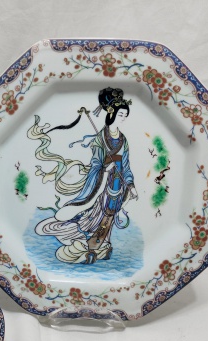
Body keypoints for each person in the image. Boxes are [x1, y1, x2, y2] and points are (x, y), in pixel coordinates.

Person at [33, 87, 138, 264]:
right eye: (121, 114)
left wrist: (131, 185)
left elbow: (126, 165)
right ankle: (84, 242)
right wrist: (106, 168)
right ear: (111, 114)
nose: (123, 118)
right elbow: (96, 163)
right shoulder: (100, 139)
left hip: (118, 184)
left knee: (110, 214)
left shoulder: (123, 139)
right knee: (96, 214)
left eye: (125, 115)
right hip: (102, 183)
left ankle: (100, 245)